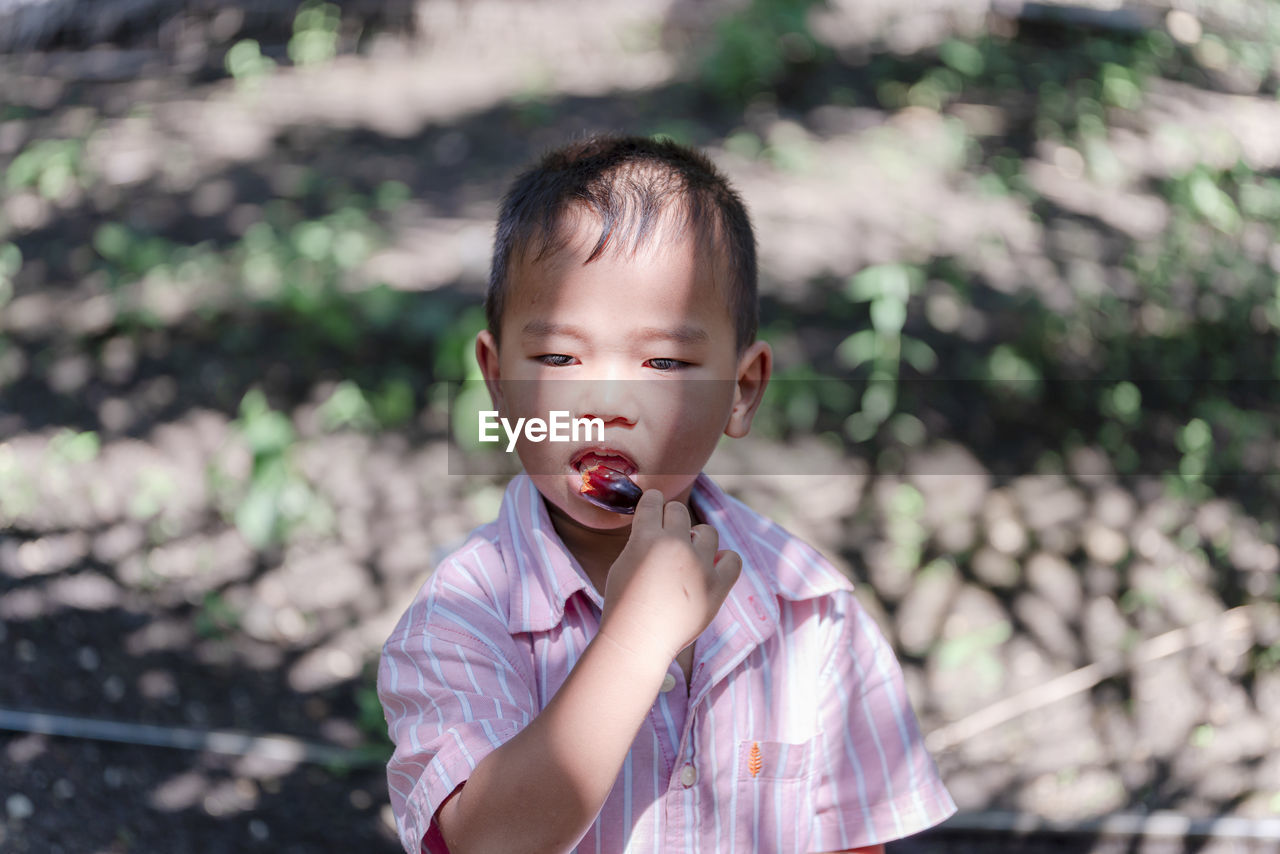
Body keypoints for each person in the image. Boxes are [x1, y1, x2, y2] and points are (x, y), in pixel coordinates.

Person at [378, 134, 956, 853]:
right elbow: (486, 842)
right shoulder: (462, 619)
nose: (606, 400)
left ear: (741, 391)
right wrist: (636, 639)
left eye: (664, 361)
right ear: (497, 382)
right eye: (559, 356)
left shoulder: (811, 613)